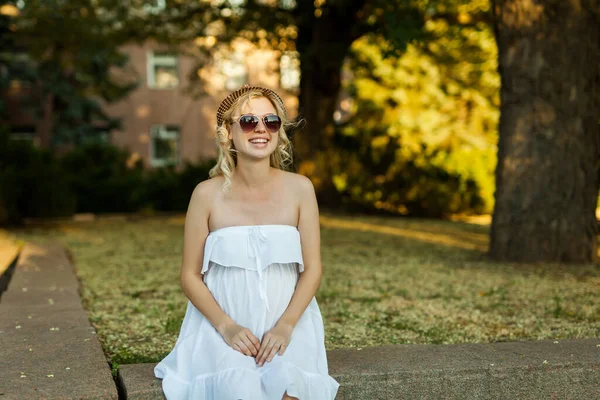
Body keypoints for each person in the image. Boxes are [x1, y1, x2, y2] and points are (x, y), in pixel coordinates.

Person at [154, 85, 340, 400]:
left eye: (271, 121)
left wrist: (285, 326)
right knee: (238, 390)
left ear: (280, 132)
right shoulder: (206, 194)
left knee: (287, 391)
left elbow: (312, 270)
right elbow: (189, 275)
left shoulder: (301, 190)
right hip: (221, 327)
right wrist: (227, 327)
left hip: (288, 323)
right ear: (228, 132)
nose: (260, 129)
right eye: (248, 121)